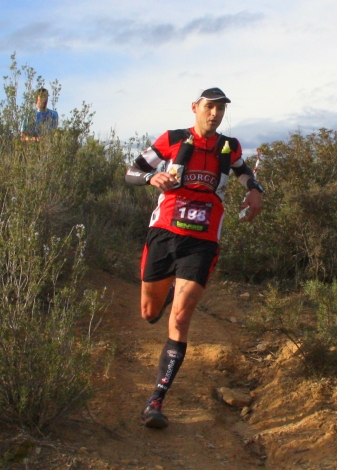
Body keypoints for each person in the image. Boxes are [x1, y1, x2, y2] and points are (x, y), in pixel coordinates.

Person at [125, 87, 264, 429]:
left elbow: (244, 171)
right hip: (164, 232)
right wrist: (150, 177)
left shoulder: (228, 147)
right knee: (149, 313)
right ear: (195, 108)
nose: (214, 114)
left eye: (220, 108)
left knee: (181, 318)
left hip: (202, 240)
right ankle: (167, 289)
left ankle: (155, 400)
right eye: (209, 107)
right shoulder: (172, 139)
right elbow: (131, 172)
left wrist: (254, 190)